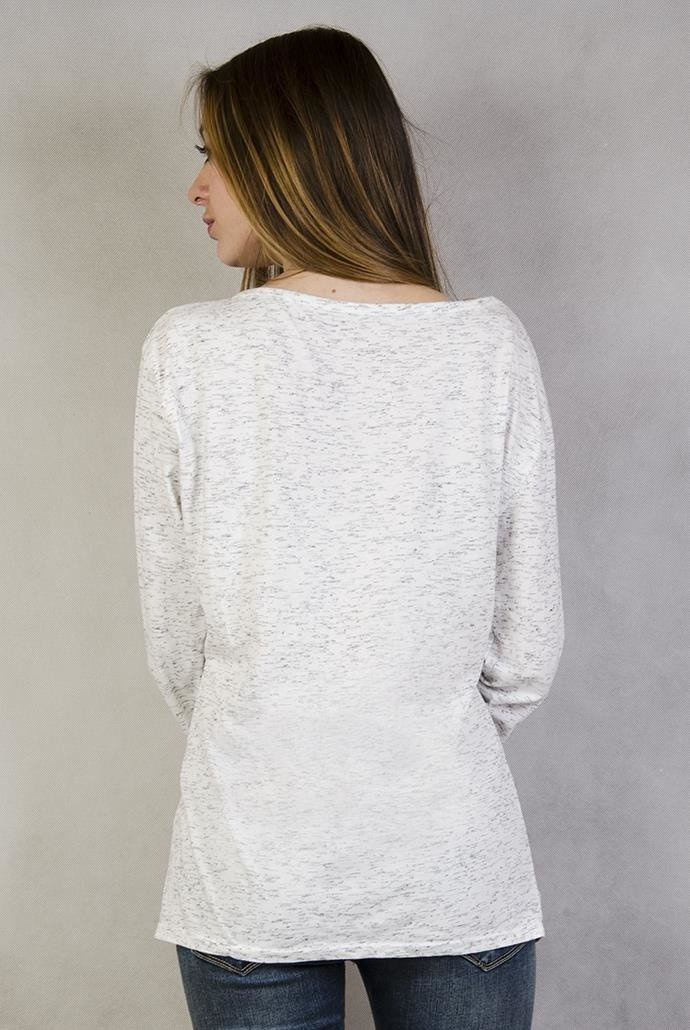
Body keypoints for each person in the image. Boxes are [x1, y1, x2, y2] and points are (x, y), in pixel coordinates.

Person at [132, 24, 565, 1030]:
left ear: (288, 158)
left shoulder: (190, 352)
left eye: (215, 156)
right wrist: (411, 738)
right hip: (449, 857)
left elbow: (179, 649)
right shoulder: (487, 348)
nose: (196, 188)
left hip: (251, 862)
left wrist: (284, 732)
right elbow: (525, 648)